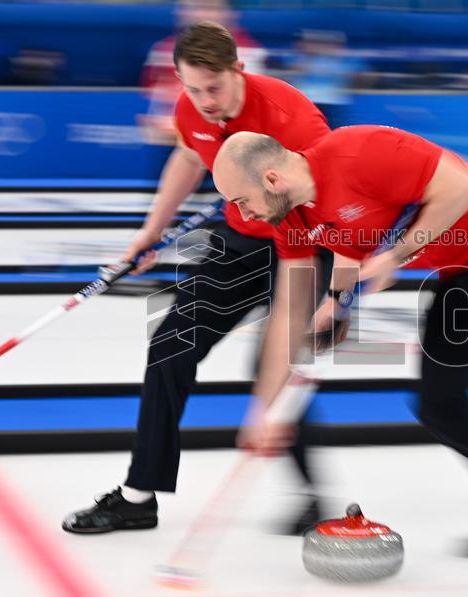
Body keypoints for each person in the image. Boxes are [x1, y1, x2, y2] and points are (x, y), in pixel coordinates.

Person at [212, 127, 468, 596]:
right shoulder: (292, 215)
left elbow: (462, 187)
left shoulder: (358, 151)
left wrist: (396, 254)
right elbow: (310, 285)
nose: (241, 214)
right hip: (462, 271)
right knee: (439, 404)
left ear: (271, 178)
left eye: (241, 200)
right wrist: (333, 308)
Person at [62, 21, 332, 537]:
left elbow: (326, 196)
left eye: (215, 88)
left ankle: (311, 496)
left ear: (238, 70)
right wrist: (151, 233)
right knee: (170, 346)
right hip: (239, 243)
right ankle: (138, 498)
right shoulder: (191, 109)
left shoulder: (292, 116)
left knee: (273, 364)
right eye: (193, 89)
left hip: (303, 245)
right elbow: (188, 157)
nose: (205, 101)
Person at [138, 0, 265, 145]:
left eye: (208, 7)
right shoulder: (164, 52)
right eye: (194, 7)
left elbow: (244, 121)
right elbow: (157, 116)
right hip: (176, 144)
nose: (200, 14)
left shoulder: (247, 53)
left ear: (230, 14)